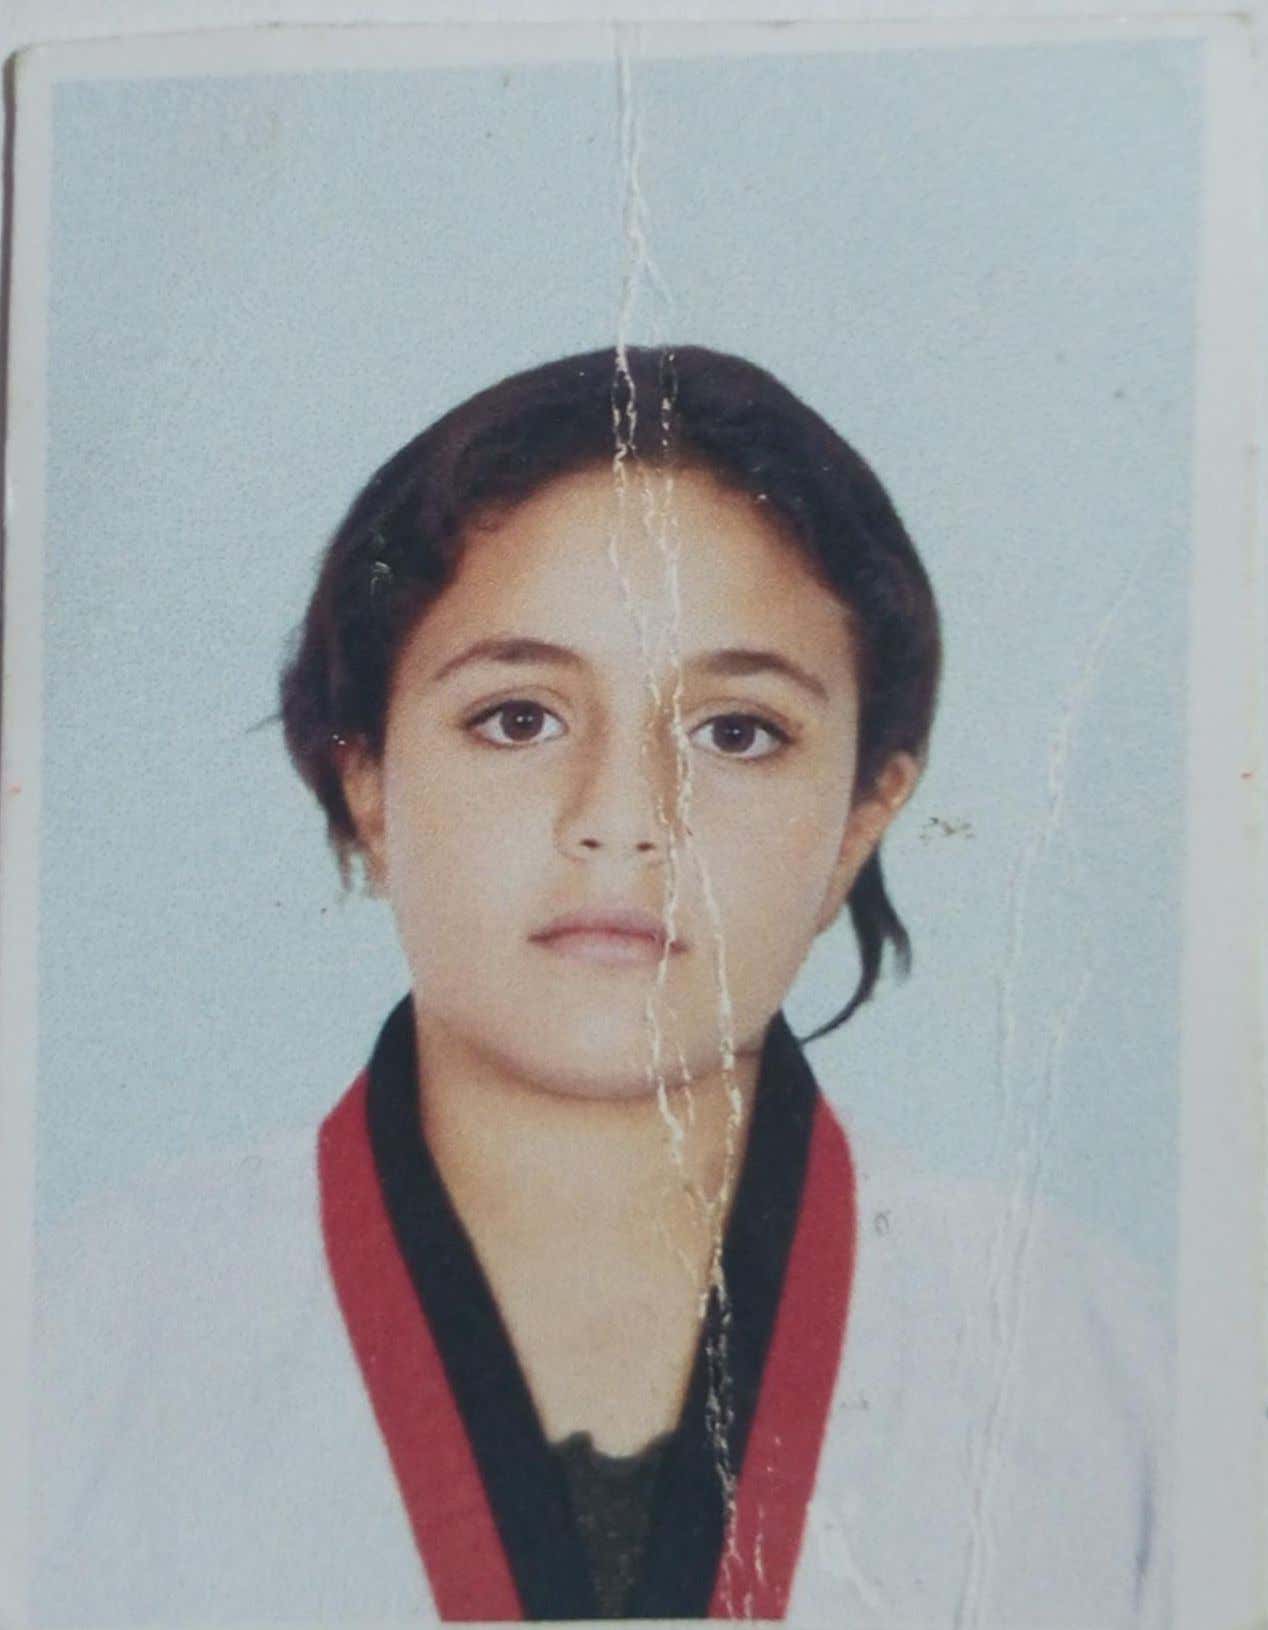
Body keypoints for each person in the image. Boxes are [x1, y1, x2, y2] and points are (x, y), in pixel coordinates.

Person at [32, 346, 1171, 1627]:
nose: (624, 819)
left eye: (735, 732)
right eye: (518, 717)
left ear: (862, 813)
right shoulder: (80, 1338)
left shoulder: (1095, 1368)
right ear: (368, 780)